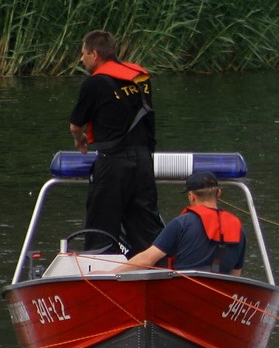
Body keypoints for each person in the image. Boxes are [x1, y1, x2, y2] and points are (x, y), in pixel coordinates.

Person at [69, 30, 164, 257]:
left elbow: (75, 125)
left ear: (94, 54)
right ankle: (154, 268)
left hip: (113, 163)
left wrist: (79, 139)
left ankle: (99, 267)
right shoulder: (140, 78)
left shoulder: (94, 84)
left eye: (83, 54)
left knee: (101, 226)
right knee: (146, 225)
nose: (81, 60)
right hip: (143, 161)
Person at [112, 172, 246, 276]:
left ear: (192, 196)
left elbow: (146, 259)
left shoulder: (182, 224)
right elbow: (235, 275)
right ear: (219, 193)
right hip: (221, 295)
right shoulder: (238, 228)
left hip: (184, 290)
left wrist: (108, 274)